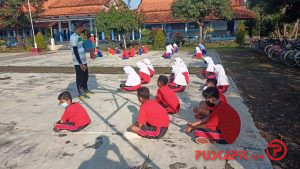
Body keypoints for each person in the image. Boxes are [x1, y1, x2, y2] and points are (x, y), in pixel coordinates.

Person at [70, 23, 92, 99]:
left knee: (86, 75)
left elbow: (83, 47)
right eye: (83, 27)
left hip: (83, 60)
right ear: (79, 27)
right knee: (80, 77)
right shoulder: (73, 37)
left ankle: (85, 89)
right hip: (78, 62)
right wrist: (80, 63)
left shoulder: (80, 36)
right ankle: (80, 92)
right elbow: (75, 51)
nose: (84, 28)